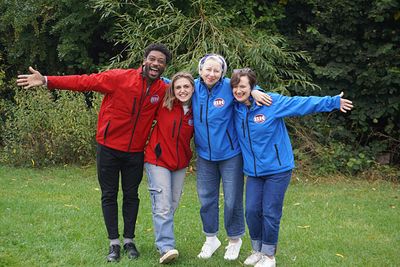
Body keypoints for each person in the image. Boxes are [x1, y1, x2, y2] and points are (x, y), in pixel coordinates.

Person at [16, 44, 172, 262]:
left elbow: (184, 93)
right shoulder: (119, 78)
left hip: (135, 152)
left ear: (165, 66)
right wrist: (47, 80)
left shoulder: (162, 89)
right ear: (144, 60)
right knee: (109, 195)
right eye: (153, 59)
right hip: (108, 148)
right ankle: (114, 244)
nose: (156, 64)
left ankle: (129, 240)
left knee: (131, 196)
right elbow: (84, 81)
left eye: (161, 61)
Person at [230, 68, 353, 267]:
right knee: (251, 211)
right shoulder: (235, 106)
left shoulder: (270, 102)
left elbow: (302, 103)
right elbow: (216, 81)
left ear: (251, 85)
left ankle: (269, 256)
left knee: (270, 211)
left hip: (277, 169)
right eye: (235, 87)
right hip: (253, 171)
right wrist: (251, 91)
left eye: (243, 87)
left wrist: (332, 102)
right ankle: (257, 250)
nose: (237, 90)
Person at [193, 54, 272, 261]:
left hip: (230, 155)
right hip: (204, 155)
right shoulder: (193, 88)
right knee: (206, 199)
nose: (211, 74)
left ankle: (234, 240)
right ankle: (211, 239)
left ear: (222, 73)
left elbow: (246, 87)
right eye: (207, 69)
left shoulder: (229, 87)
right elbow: (174, 85)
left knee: (232, 200)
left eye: (216, 70)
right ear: (200, 70)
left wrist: (256, 91)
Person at [144, 72, 195, 264]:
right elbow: (153, 83)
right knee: (163, 205)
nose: (182, 91)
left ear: (192, 88)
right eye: (178, 87)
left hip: (180, 163)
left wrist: (255, 91)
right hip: (157, 160)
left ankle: (164, 239)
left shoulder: (195, 109)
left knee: (172, 204)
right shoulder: (164, 105)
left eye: (186, 87)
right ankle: (166, 247)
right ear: (172, 90)